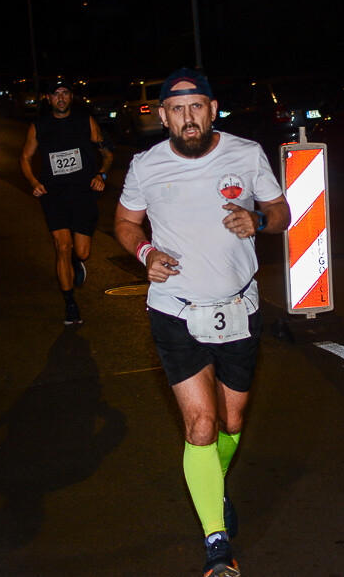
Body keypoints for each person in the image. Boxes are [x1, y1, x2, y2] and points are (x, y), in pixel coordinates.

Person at [114, 67, 290, 577]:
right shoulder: (145, 166)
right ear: (162, 115)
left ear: (213, 110)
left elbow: (280, 211)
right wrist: (144, 251)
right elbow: (125, 223)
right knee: (202, 425)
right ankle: (216, 544)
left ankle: (209, 482)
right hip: (175, 310)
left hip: (240, 307)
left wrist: (258, 220)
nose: (188, 119)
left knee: (232, 423)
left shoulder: (247, 153)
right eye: (177, 109)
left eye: (197, 108)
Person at [20, 78, 113, 325]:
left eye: (65, 93)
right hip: (55, 196)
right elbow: (25, 158)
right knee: (62, 246)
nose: (60, 98)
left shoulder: (85, 121)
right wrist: (33, 183)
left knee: (81, 252)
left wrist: (101, 174)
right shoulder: (39, 126)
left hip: (83, 194)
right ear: (48, 99)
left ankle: (76, 261)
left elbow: (107, 152)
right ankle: (70, 304)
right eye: (55, 94)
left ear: (71, 97)